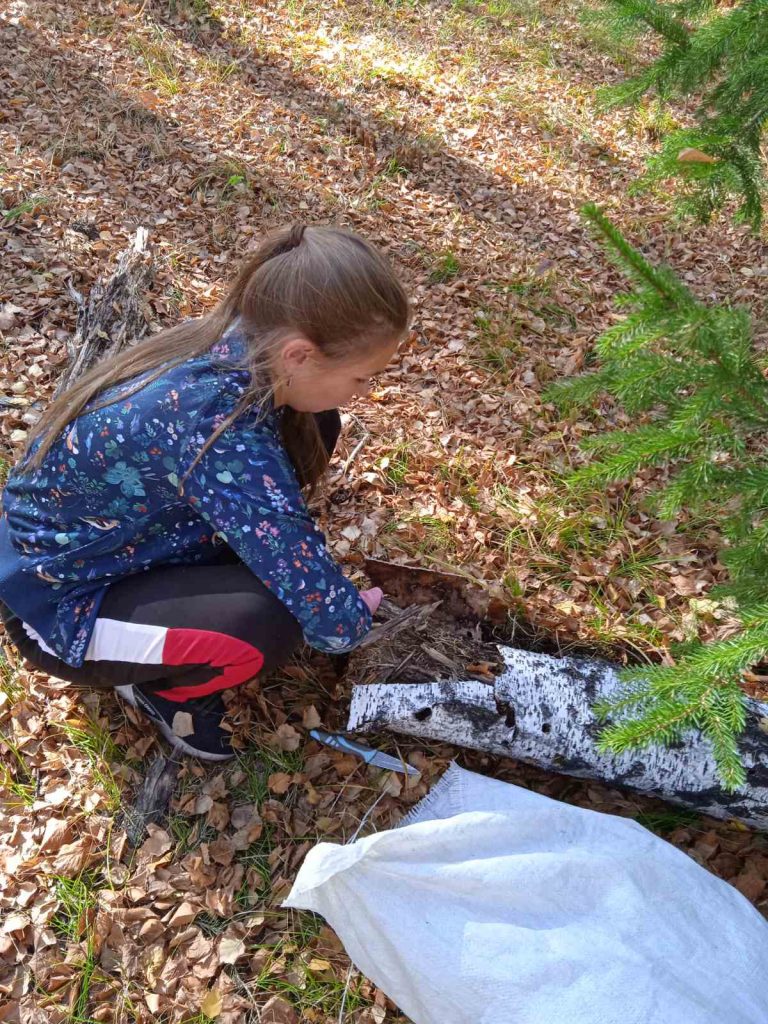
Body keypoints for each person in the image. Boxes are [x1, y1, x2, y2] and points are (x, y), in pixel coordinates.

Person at [0, 223, 411, 760]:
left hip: (119, 547)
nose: (366, 392)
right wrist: (352, 620)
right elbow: (322, 609)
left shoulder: (242, 341)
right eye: (362, 377)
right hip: (58, 605)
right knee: (266, 622)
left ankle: (190, 609)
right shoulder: (219, 432)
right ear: (299, 355)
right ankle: (162, 690)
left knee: (316, 422)